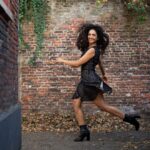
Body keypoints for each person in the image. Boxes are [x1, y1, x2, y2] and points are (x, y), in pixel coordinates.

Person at [56, 23, 141, 142]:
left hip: (89, 82)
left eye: (93, 35)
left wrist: (62, 60)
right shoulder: (94, 49)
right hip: (86, 81)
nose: (91, 36)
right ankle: (84, 131)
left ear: (97, 37)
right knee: (76, 104)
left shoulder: (92, 50)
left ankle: (130, 118)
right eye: (89, 34)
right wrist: (104, 74)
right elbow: (99, 62)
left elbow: (77, 64)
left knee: (103, 106)